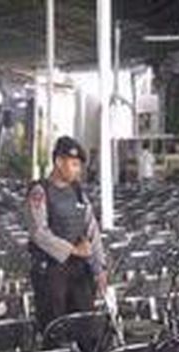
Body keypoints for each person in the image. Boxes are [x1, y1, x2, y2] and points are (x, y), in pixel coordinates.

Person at [26, 136, 108, 331]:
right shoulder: (39, 192)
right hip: (51, 272)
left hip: (79, 271)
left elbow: (92, 229)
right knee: (55, 328)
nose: (77, 170)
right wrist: (73, 250)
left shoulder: (78, 191)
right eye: (73, 164)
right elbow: (39, 232)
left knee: (86, 326)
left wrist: (99, 267)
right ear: (58, 162)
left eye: (79, 165)